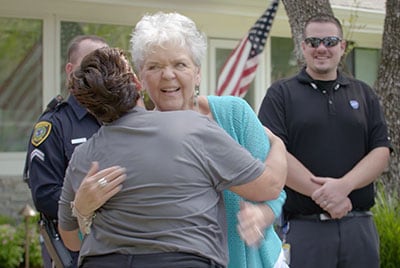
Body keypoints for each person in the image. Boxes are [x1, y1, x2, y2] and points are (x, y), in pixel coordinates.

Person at [71, 12, 288, 268]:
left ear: (197, 73)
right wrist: (82, 210)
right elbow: (97, 239)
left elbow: (274, 187)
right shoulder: (128, 138)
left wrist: (265, 212)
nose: (168, 75)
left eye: (179, 64)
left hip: (255, 259)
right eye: (154, 66)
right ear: (139, 78)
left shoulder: (233, 113)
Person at [258, 13, 392, 268]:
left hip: (359, 227)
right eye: (314, 41)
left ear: (342, 46)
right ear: (303, 46)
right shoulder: (281, 94)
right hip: (305, 229)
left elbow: (380, 151)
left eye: (330, 41)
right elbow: (272, 151)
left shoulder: (364, 94)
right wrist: (324, 195)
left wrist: (343, 187)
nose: (322, 48)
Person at [23, 35, 108, 267]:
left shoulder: (117, 119)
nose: (98, 73)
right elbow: (45, 195)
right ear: (71, 71)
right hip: (73, 248)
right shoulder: (54, 126)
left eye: (104, 65)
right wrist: (92, 204)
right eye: (90, 65)